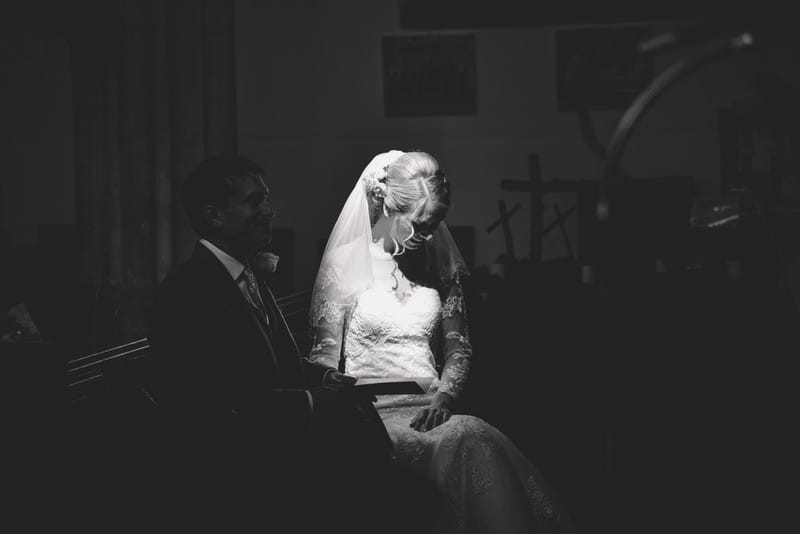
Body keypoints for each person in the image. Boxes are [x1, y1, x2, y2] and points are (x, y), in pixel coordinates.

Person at [308, 150, 578, 533]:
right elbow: (322, 358)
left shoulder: (438, 266)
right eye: (419, 225)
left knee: (471, 434)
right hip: (371, 415)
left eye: (436, 223)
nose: (430, 235)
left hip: (432, 408)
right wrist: (338, 385)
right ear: (388, 207)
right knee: (458, 441)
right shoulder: (344, 263)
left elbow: (458, 347)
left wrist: (445, 396)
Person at [146, 155, 415, 532]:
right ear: (214, 215)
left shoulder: (246, 275)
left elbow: (273, 359)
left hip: (275, 445)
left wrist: (322, 377)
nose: (269, 211)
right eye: (254, 202)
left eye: (267, 200)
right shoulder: (186, 294)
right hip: (235, 470)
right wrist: (310, 401)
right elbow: (207, 404)